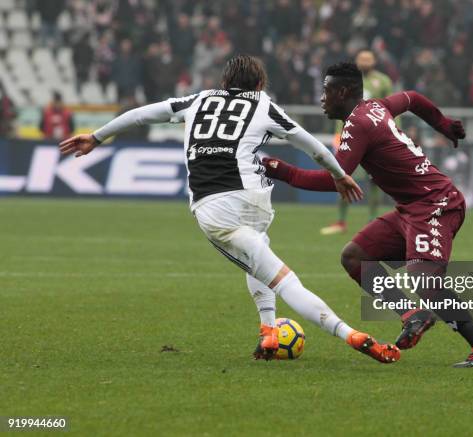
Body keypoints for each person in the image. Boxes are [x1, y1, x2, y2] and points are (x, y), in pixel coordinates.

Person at [59, 55, 400, 364]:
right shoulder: (263, 104)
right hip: (256, 198)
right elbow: (308, 142)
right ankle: (268, 333)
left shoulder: (199, 99)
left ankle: (350, 334)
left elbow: (143, 114)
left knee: (280, 278)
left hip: (215, 209)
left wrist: (98, 137)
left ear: (224, 83)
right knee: (257, 252)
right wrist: (339, 175)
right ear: (260, 85)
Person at [264, 62, 473, 368]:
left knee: (424, 280)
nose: (322, 99)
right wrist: (442, 124)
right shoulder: (375, 108)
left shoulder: (358, 124)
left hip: (435, 204)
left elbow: (334, 179)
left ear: (343, 91)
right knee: (355, 257)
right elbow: (413, 98)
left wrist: (279, 170)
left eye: (326, 92)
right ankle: (412, 315)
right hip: (410, 208)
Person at [320, 49, 394, 235]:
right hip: (349, 135)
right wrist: (338, 135)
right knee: (342, 176)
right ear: (356, 61)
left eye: (368, 59)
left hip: (376, 136)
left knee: (375, 180)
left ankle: (372, 221)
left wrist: (393, 132)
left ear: (374, 61)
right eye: (362, 59)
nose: (365, 62)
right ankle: (341, 221)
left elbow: (390, 109)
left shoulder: (383, 81)